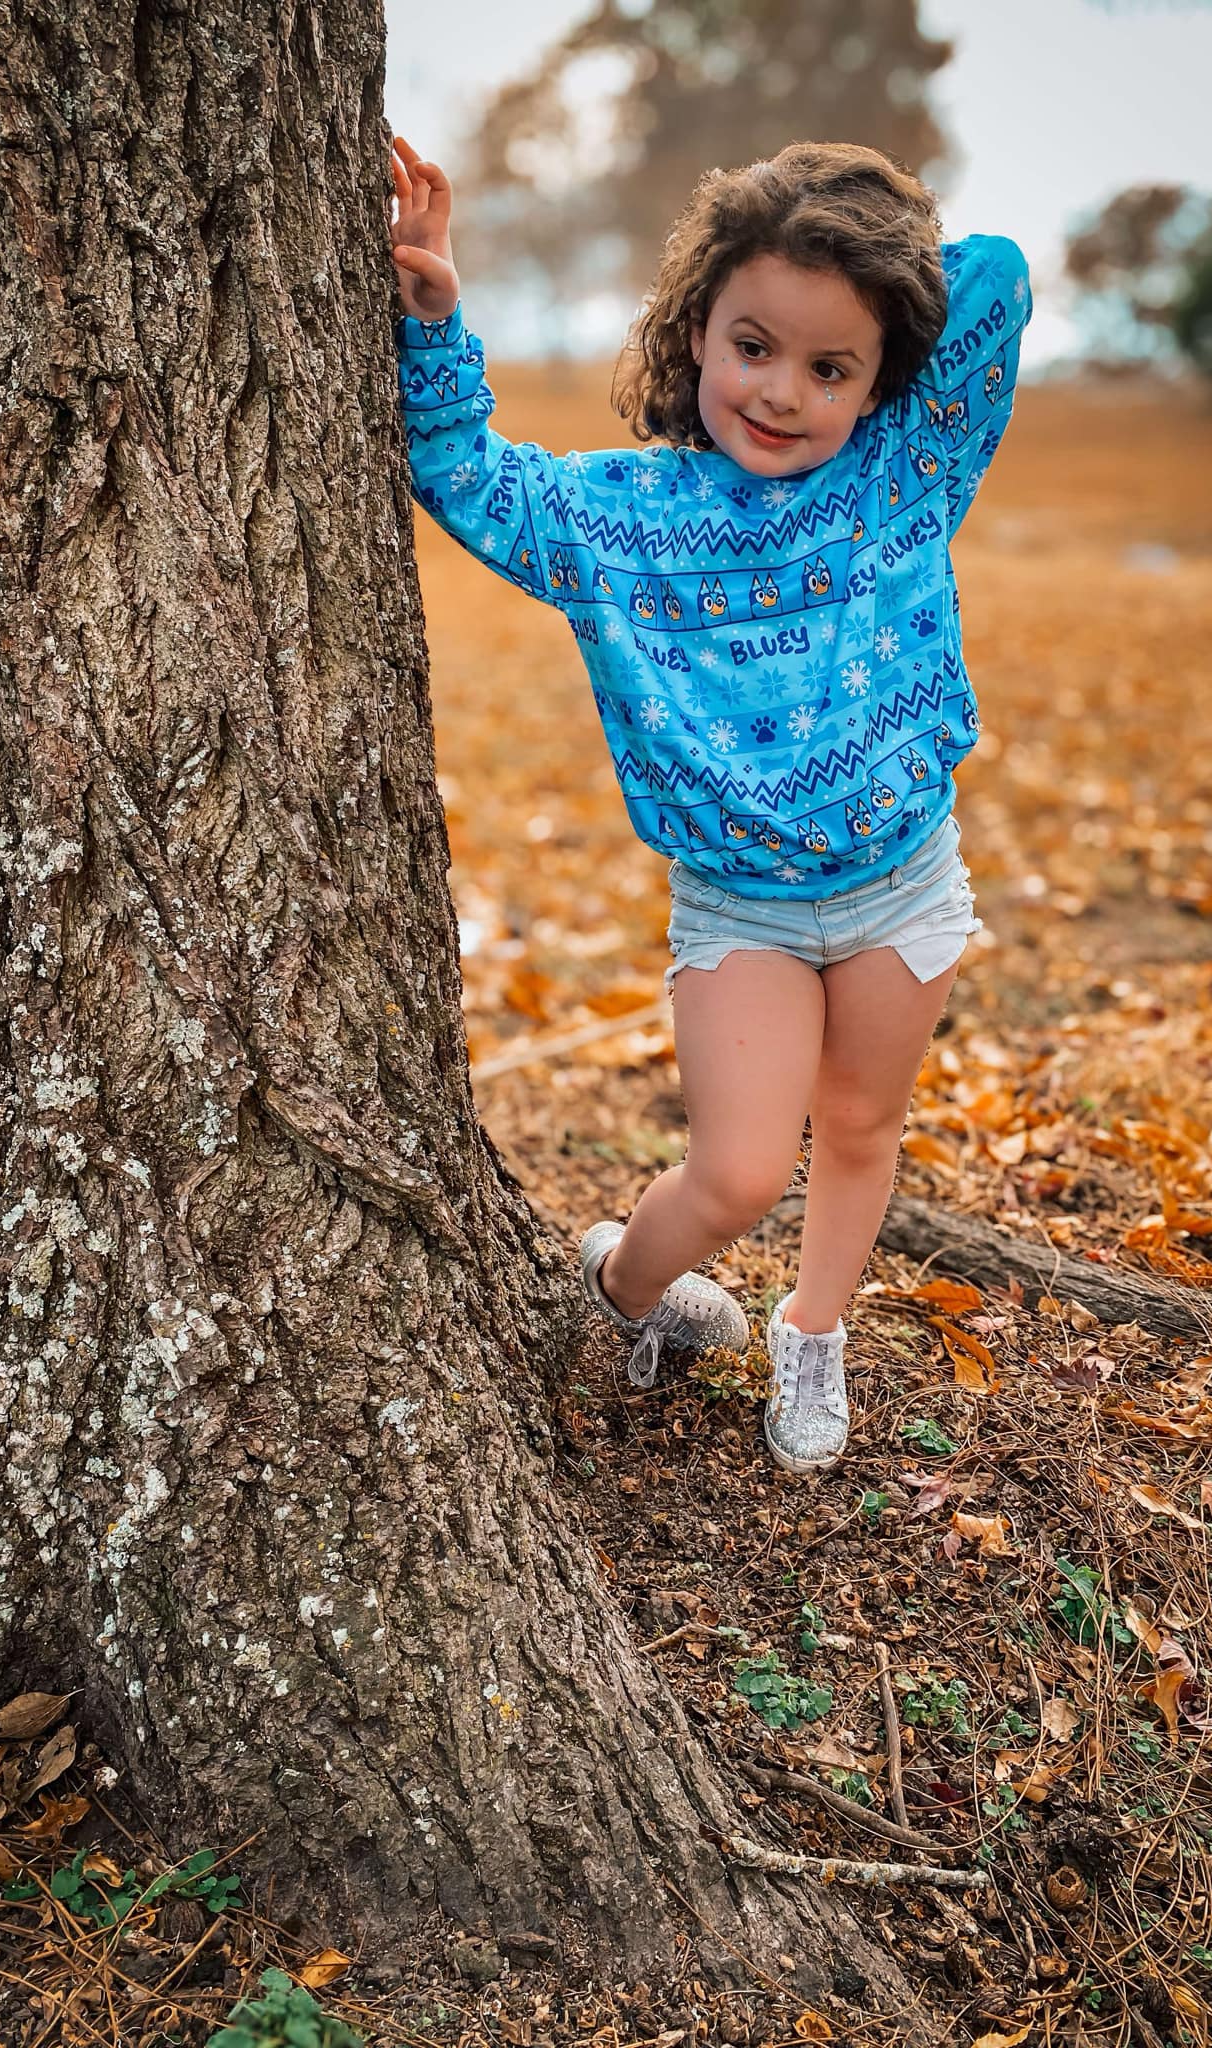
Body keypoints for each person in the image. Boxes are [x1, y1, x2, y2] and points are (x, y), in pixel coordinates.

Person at [390, 132, 1031, 1475]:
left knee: (860, 1127)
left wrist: (831, 226)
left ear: (881, 383)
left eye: (830, 367)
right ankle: (619, 1295)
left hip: (902, 885)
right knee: (739, 1175)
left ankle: (813, 1331)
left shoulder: (902, 480)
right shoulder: (624, 522)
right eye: (752, 344)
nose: (783, 392)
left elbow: (996, 279)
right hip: (739, 902)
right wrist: (437, 312)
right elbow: (462, 472)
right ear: (692, 333)